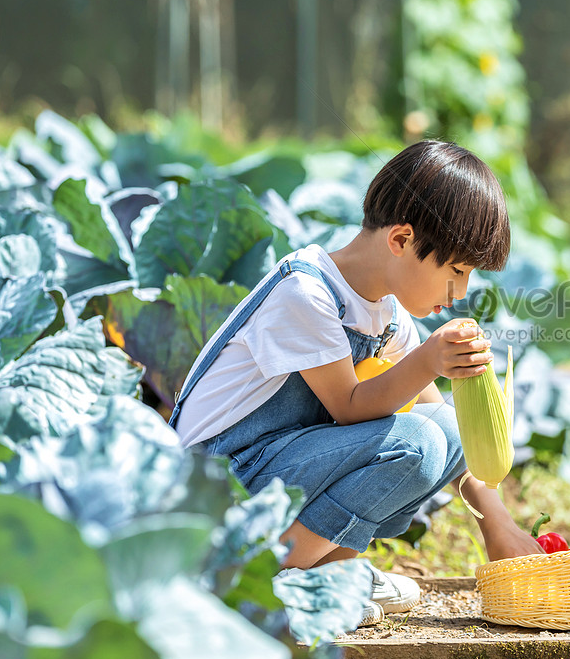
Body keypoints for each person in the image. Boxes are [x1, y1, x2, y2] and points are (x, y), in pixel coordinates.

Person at [171, 140, 541, 626]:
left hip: (276, 465)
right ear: (402, 240)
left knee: (446, 433)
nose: (460, 292)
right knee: (416, 444)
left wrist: (500, 527)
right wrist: (429, 359)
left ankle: (330, 567)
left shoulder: (382, 310)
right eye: (456, 269)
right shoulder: (305, 292)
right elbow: (349, 407)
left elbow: (447, 427)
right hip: (217, 483)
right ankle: (265, 573)